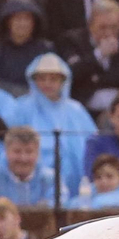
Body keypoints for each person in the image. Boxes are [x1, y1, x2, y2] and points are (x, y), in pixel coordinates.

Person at [10, 53, 94, 198]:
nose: (47, 84)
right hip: (35, 180)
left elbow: (92, 142)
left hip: (75, 179)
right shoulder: (23, 107)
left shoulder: (76, 109)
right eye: (42, 79)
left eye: (53, 79)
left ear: (63, 81)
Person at [61, 0, 119, 111]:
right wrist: (98, 55)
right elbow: (70, 74)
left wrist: (96, 79)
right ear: (90, 25)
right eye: (102, 27)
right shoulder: (72, 41)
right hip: (84, 109)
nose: (109, 33)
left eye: (114, 27)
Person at [0, 125, 58, 210]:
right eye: (17, 151)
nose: (23, 158)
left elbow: (62, 207)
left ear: (38, 153)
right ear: (6, 151)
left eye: (29, 152)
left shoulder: (52, 179)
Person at [0, 0, 52, 96]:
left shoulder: (45, 49)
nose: (23, 23)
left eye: (27, 19)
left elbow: (50, 83)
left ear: (34, 23)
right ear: (8, 21)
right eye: (18, 18)